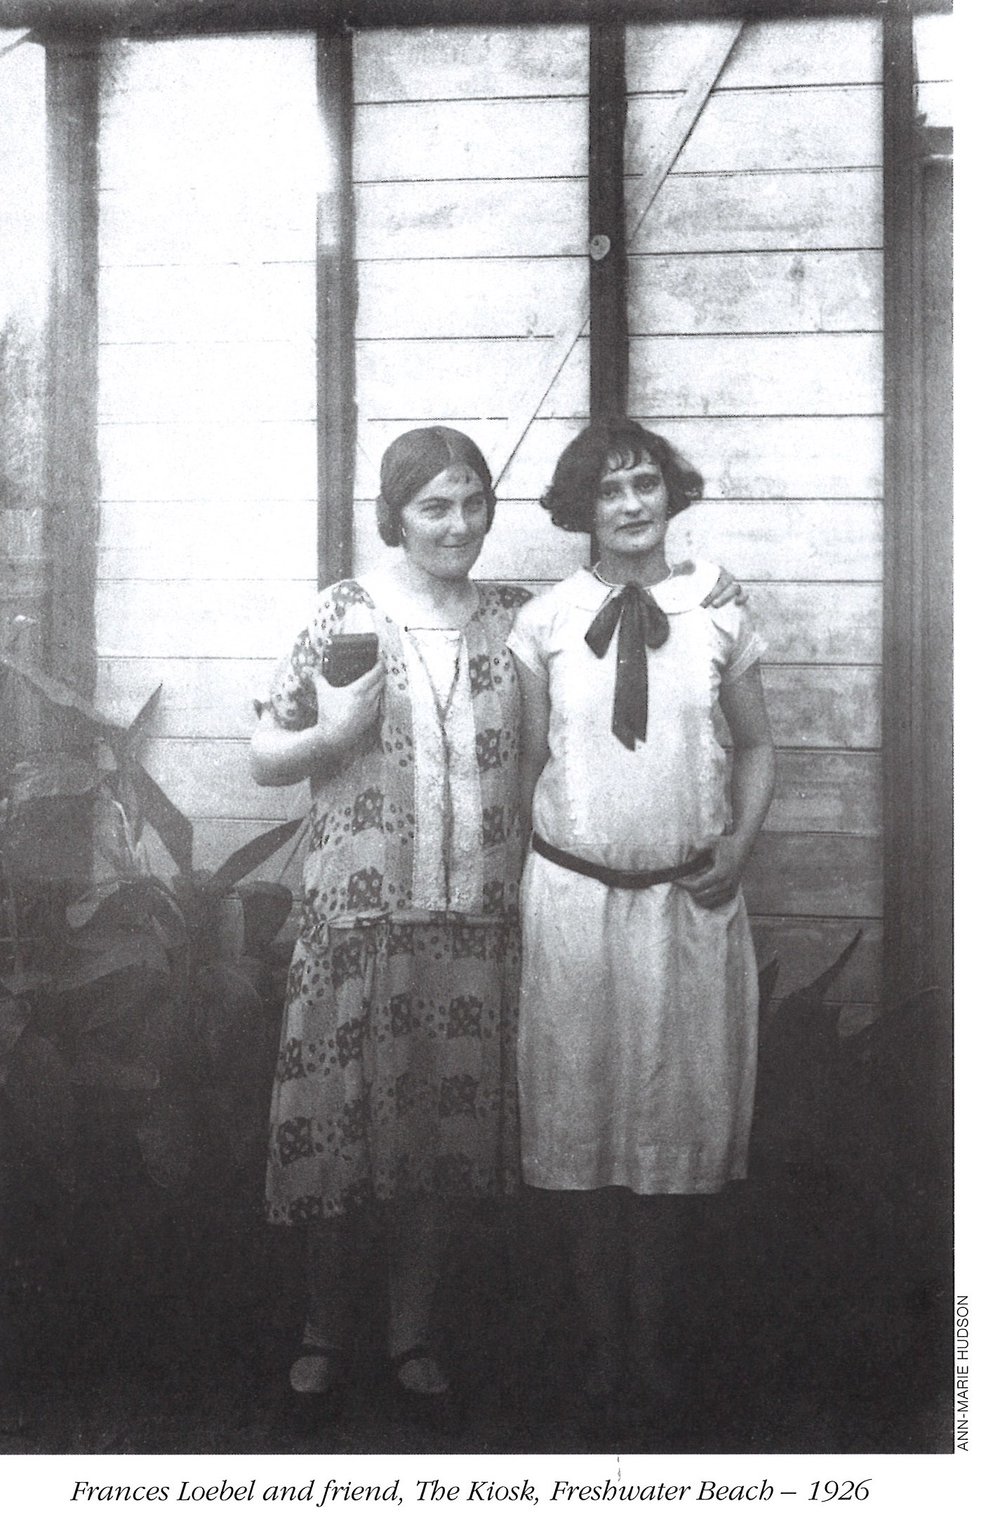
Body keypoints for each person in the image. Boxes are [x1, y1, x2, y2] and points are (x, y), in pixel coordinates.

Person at [251, 423, 744, 1422]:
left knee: (437, 1138)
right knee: (340, 1134)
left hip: (474, 915)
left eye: (473, 502)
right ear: (396, 517)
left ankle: (412, 1334)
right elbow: (265, 749)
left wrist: (711, 591)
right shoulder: (344, 612)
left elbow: (614, 661)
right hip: (356, 916)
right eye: (433, 505)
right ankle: (319, 1332)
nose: (457, 524)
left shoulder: (513, 620)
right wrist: (333, 733)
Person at [507, 418, 775, 1423]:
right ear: (582, 506)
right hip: (573, 903)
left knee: (667, 1133)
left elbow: (754, 748)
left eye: (645, 483)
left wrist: (736, 849)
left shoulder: (716, 611)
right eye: (609, 488)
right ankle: (595, 1347)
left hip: (685, 904)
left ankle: (655, 1348)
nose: (630, 503)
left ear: (671, 493)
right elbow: (534, 762)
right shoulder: (542, 623)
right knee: (581, 1128)